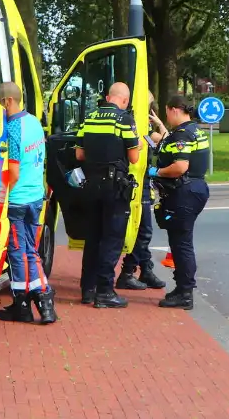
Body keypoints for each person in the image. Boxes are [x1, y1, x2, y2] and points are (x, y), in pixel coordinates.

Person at [0, 82, 57, 324]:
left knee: (18, 253)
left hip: (17, 201)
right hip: (35, 198)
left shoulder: (13, 128)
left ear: (7, 102)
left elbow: (14, 171)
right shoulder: (33, 123)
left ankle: (22, 305)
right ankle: (45, 302)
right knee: (31, 250)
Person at [75, 82, 141, 308]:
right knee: (112, 239)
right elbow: (134, 158)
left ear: (107, 96)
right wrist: (138, 144)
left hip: (91, 184)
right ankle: (105, 291)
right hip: (114, 186)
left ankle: (87, 289)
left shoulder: (89, 118)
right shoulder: (124, 119)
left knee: (93, 237)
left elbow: (80, 154)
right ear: (125, 100)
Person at [150, 95, 211, 310]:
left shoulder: (182, 135)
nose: (166, 117)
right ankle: (182, 288)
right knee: (179, 241)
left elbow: (180, 166)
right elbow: (173, 143)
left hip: (184, 191)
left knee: (181, 243)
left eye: (166, 113)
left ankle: (185, 293)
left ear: (175, 110)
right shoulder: (194, 130)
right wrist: (158, 127)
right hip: (196, 188)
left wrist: (156, 171)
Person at [116, 95, 168, 291]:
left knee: (143, 231)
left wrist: (159, 124)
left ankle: (145, 269)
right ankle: (128, 273)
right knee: (143, 231)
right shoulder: (132, 126)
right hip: (136, 183)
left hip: (143, 182)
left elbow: (165, 140)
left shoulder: (143, 128)